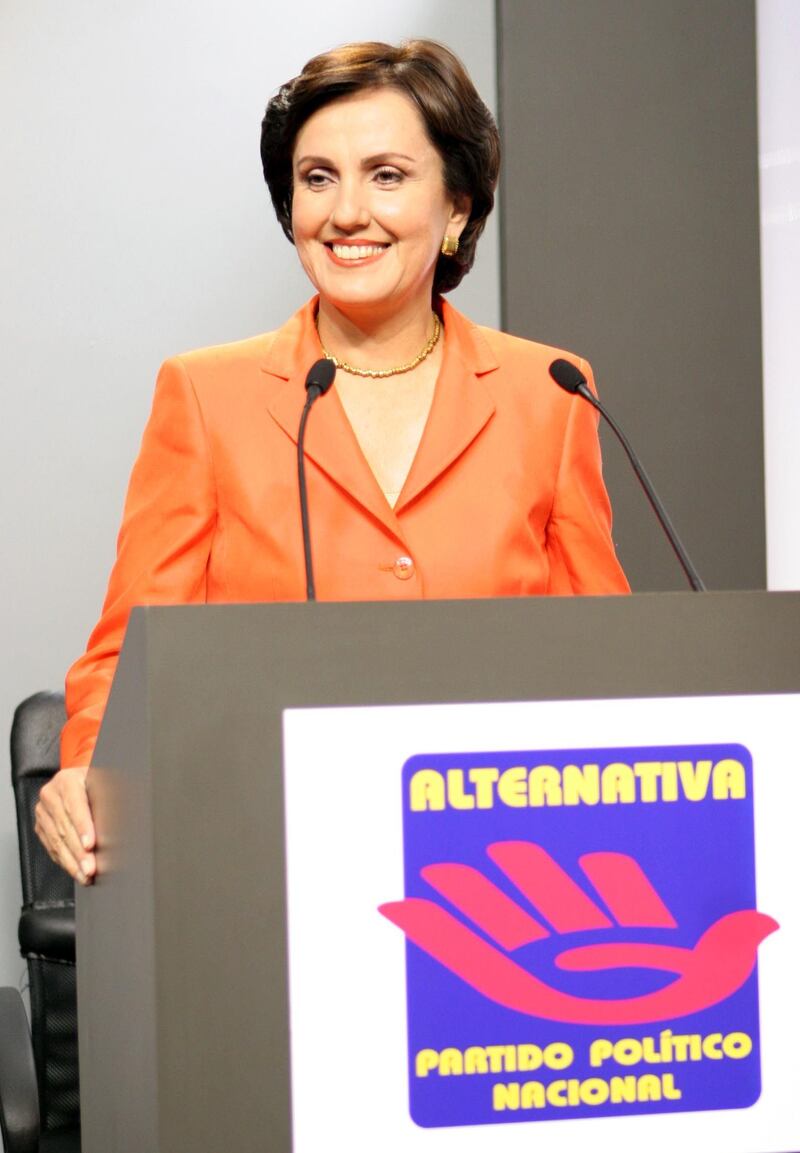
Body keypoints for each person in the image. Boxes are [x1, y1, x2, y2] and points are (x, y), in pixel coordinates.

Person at [35, 39, 629, 884]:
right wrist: (86, 765)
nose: (347, 211)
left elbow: (605, 650)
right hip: (270, 852)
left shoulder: (550, 390)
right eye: (318, 178)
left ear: (457, 206)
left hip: (506, 862)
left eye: (386, 174)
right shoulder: (206, 395)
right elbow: (127, 655)